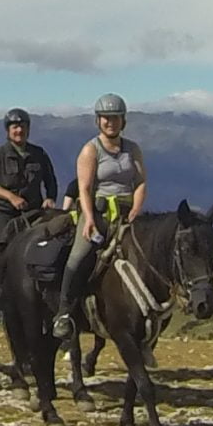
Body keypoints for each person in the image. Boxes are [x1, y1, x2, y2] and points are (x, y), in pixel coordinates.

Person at [53, 94, 148, 339]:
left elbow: (140, 182)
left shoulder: (133, 149)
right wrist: (89, 218)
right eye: (106, 118)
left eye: (115, 118)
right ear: (98, 121)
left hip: (127, 214)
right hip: (99, 213)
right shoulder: (90, 150)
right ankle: (64, 312)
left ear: (122, 121)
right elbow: (83, 188)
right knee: (78, 255)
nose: (110, 122)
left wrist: (137, 207)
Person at [0, 108, 58, 269]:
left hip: (34, 212)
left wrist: (50, 198)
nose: (19, 130)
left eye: (23, 126)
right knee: (1, 247)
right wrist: (11, 197)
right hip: (5, 213)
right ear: (8, 130)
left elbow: (50, 180)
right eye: (15, 127)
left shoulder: (39, 153)